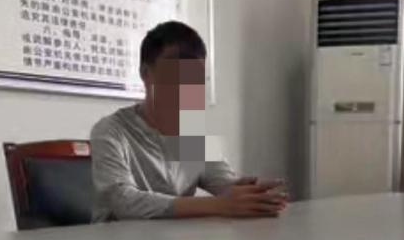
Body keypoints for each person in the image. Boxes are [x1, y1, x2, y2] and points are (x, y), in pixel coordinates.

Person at [90, 21, 288, 221]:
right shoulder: (111, 130)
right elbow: (122, 201)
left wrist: (248, 193)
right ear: (146, 74)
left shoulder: (192, 132)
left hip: (174, 237)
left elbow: (223, 183)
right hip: (118, 238)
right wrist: (219, 204)